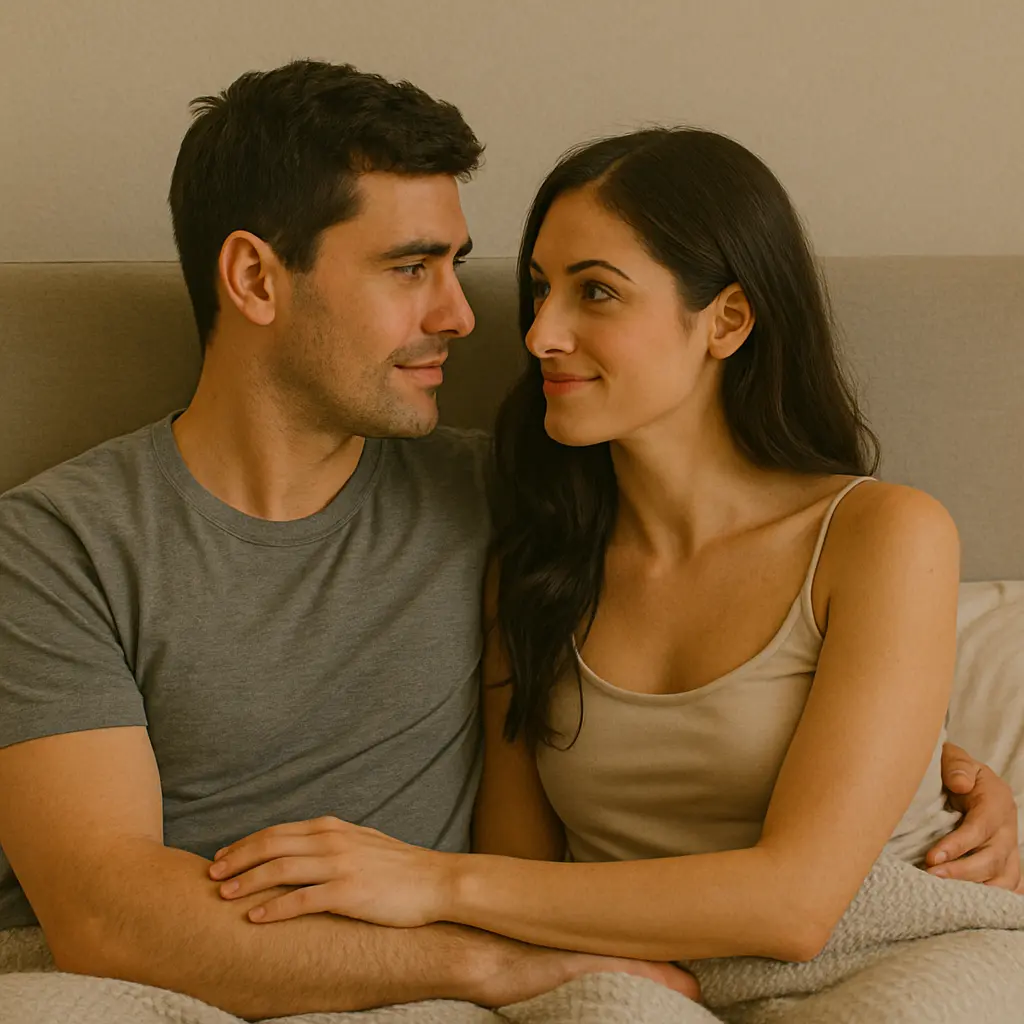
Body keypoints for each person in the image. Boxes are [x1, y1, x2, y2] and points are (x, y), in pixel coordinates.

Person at [0, 65, 1015, 1017]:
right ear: (255, 281)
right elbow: (104, 910)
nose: (472, 320)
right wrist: (488, 959)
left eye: (460, 268)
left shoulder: (512, 494)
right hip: (251, 972)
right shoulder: (57, 545)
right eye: (409, 268)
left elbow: (756, 625)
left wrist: (924, 754)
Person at [203, 128, 1023, 966]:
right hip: (638, 970)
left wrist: (434, 882)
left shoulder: (882, 536)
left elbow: (795, 907)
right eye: (540, 289)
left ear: (727, 320)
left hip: (891, 939)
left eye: (595, 292)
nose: (539, 335)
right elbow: (520, 881)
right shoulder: (534, 560)